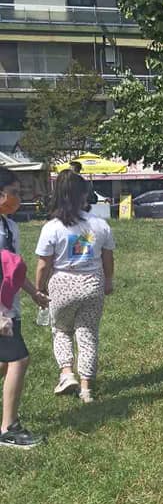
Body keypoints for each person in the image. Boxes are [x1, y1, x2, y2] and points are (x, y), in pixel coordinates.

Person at [35, 170, 115, 404]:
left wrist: (39, 288)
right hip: (92, 284)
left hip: (62, 285)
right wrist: (108, 281)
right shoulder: (99, 225)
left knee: (61, 330)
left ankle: (67, 373)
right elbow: (108, 258)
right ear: (83, 195)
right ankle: (87, 388)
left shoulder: (52, 228)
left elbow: (43, 264)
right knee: (88, 334)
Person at [0, 168, 49, 448]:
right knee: (19, 360)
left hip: (10, 308)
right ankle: (8, 428)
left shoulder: (10, 227)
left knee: (5, 363)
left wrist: (34, 293)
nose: (18, 198)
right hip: (1, 313)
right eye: (14, 192)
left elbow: (13, 270)